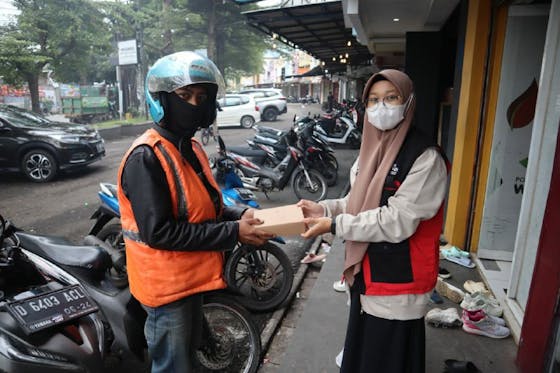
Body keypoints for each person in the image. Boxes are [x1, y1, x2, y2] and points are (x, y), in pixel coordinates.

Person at [117, 51, 273, 373]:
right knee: (174, 366)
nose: (194, 104)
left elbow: (206, 207)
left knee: (186, 360)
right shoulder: (147, 157)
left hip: (189, 281)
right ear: (161, 100)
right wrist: (234, 232)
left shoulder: (189, 147)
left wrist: (238, 214)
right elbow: (160, 232)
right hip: (165, 290)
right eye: (184, 96)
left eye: (201, 96)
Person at [298, 69, 449, 373]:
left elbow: (396, 220)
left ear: (407, 103)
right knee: (365, 357)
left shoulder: (425, 158)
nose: (381, 108)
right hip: (366, 275)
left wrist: (335, 226)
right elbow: (356, 202)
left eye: (391, 98)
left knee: (387, 359)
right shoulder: (371, 149)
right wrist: (324, 209)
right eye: (374, 100)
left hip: (398, 282)